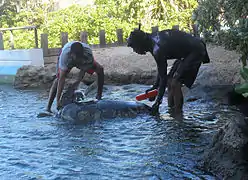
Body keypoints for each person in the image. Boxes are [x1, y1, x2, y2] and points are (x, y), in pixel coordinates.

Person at [127, 25, 210, 115]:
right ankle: (171, 112)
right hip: (186, 53)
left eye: (134, 47)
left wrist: (157, 103)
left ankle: (178, 116)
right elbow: (161, 70)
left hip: (196, 50)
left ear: (140, 44)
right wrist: (155, 86)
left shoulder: (157, 48)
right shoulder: (152, 41)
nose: (134, 51)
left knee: (175, 83)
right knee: (170, 81)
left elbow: (163, 78)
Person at [46, 41, 104, 113]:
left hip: (84, 59)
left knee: (100, 70)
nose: (78, 59)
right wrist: (58, 102)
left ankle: (99, 97)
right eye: (77, 57)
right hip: (68, 58)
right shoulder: (65, 57)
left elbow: (84, 69)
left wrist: (77, 82)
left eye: (80, 57)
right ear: (71, 54)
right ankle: (48, 108)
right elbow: (62, 79)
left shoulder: (88, 54)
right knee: (58, 80)